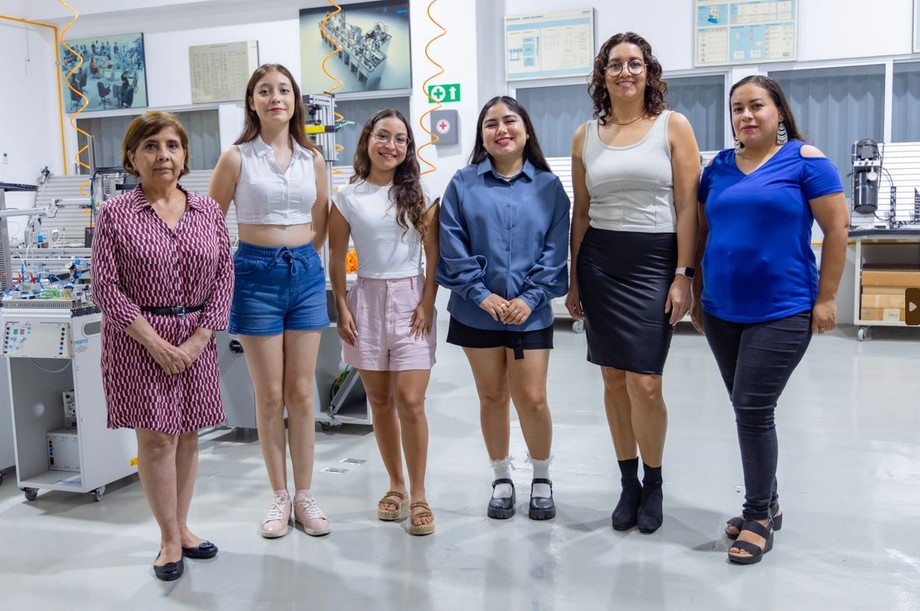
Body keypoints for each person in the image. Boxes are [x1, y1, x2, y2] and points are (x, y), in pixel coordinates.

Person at [691, 75, 848, 564]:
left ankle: (758, 514)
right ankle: (769, 501)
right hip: (721, 309)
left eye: (756, 106)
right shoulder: (716, 167)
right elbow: (701, 232)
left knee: (753, 409)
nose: (746, 116)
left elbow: (838, 227)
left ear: (778, 111)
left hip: (784, 308)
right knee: (747, 409)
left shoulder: (806, 162)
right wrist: (696, 292)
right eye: (737, 108)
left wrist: (826, 299)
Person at [565, 32, 700, 534]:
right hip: (601, 261)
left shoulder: (673, 126)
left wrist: (684, 275)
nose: (625, 71)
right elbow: (582, 212)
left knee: (645, 383)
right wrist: (575, 278)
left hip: (654, 259)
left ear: (649, 71)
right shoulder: (584, 135)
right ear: (602, 75)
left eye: (634, 63)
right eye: (615, 64)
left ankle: (655, 481)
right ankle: (628, 484)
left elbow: (689, 207)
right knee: (612, 379)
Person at [91, 111, 234, 581]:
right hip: (139, 342)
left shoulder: (207, 211)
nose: (163, 156)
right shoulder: (115, 214)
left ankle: (184, 526)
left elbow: (224, 278)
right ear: (131, 157)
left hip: (196, 337)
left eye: (172, 145)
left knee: (189, 435)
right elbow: (105, 288)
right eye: (150, 146)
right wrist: (156, 343)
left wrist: (197, 340)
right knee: (156, 441)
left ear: (185, 154)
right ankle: (168, 539)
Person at [209, 63, 331, 538]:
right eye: (264, 91)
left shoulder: (312, 159)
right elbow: (210, 223)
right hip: (253, 275)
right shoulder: (236, 158)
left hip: (303, 274)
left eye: (283, 90)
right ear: (252, 102)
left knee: (302, 393)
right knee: (270, 395)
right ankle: (278, 496)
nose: (275, 97)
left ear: (295, 100)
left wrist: (300, 258)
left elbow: (319, 221)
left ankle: (304, 494)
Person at [437, 96, 570, 521]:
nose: (501, 129)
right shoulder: (462, 183)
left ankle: (543, 476)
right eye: (490, 124)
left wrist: (529, 298)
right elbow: (452, 245)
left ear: (526, 130)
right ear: (482, 136)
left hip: (530, 314)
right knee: (492, 395)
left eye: (509, 121)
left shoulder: (549, 187)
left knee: (531, 397)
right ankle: (500, 476)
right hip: (477, 312)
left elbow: (555, 251)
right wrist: (481, 295)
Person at [328, 109, 440, 535]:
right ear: (367, 139)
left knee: (411, 400)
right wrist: (342, 306)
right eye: (383, 136)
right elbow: (336, 258)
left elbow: (435, 256)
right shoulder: (347, 197)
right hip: (367, 301)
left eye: (400, 139)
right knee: (379, 401)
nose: (391, 145)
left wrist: (428, 303)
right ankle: (394, 484)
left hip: (411, 298)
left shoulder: (421, 192)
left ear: (408, 148)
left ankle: (419, 493)